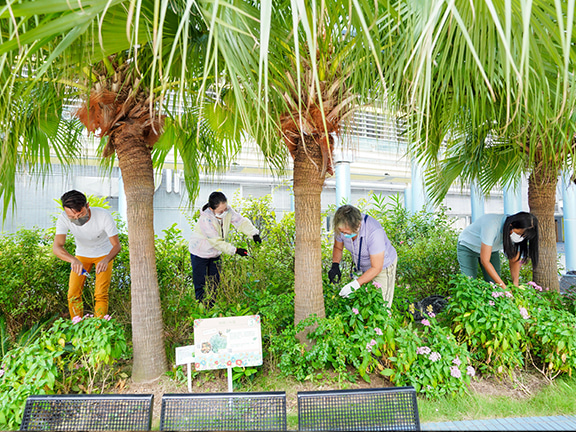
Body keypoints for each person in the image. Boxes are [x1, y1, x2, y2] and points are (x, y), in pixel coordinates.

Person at [52, 190, 121, 319]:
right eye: (72, 217)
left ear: (87, 206)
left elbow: (117, 245)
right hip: (82, 255)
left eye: (81, 214)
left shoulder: (103, 216)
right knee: (73, 294)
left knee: (100, 294)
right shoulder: (63, 218)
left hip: (104, 255)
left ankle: (98, 329)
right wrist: (73, 260)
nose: (77, 219)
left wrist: (106, 260)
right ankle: (78, 328)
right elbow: (57, 247)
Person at [189, 191, 261, 303]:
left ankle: (212, 309)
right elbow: (216, 242)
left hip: (215, 253)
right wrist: (235, 250)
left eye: (225, 208)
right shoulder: (205, 219)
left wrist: (254, 233)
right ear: (212, 209)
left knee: (215, 284)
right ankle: (202, 312)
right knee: (201, 286)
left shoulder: (227, 211)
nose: (224, 212)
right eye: (221, 211)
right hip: (200, 253)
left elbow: (240, 221)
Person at [328, 205, 398, 307]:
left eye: (346, 232)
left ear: (358, 225)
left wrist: (355, 284)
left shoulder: (374, 232)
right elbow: (338, 247)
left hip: (382, 267)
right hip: (363, 266)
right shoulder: (341, 226)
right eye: (342, 232)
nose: (344, 234)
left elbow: (376, 267)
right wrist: (335, 265)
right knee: (364, 303)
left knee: (381, 306)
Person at [457, 212, 539, 289]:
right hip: (468, 247)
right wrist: (504, 288)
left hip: (491, 250)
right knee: (469, 284)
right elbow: (485, 261)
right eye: (519, 234)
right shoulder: (492, 225)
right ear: (511, 225)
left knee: (494, 285)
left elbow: (514, 259)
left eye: (523, 236)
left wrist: (515, 284)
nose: (520, 237)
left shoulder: (516, 234)